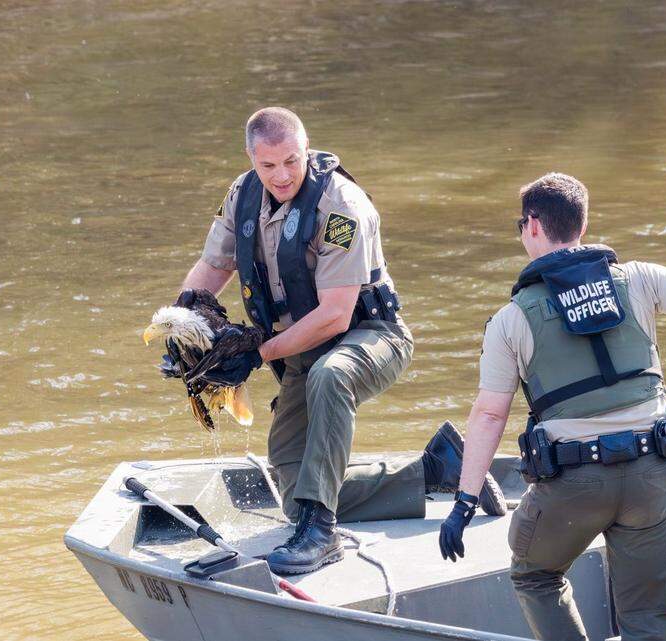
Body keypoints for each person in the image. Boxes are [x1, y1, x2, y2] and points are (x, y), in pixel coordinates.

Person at [437, 173, 666, 641]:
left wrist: (463, 503)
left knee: (534, 574)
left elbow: (488, 416)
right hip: (651, 476)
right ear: (582, 225)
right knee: (647, 616)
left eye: (520, 223)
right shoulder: (641, 279)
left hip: (572, 486)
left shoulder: (511, 319)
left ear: (535, 225)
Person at [171, 106, 505, 575]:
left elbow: (334, 315)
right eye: (268, 165)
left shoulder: (341, 205)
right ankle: (435, 469)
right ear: (251, 160)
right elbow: (213, 268)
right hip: (301, 350)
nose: (282, 175)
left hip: (371, 336)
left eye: (292, 160)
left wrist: (255, 354)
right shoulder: (241, 195)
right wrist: (180, 323)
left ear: (306, 148)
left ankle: (322, 535)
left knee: (332, 375)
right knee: (297, 489)